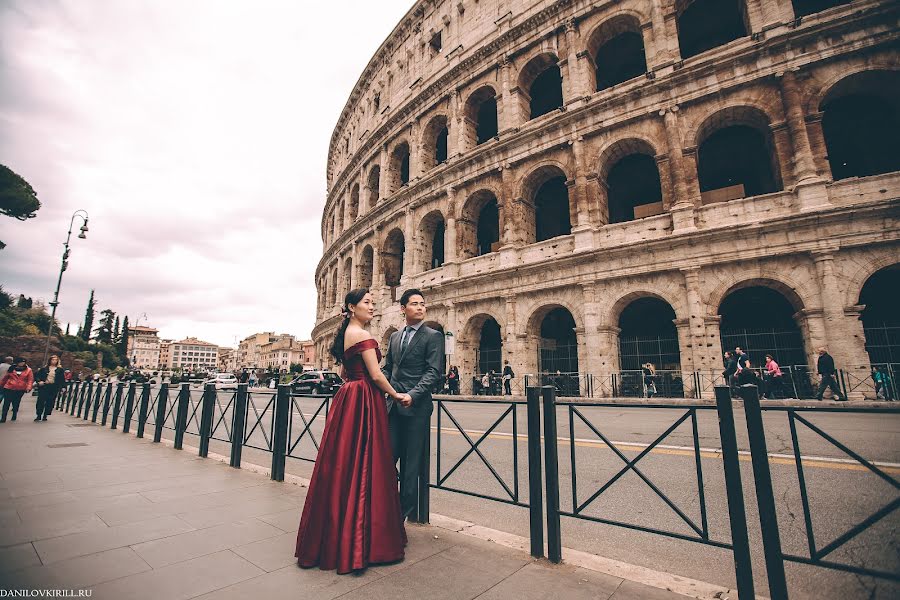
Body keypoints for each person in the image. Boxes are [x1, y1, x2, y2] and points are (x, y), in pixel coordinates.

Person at [295, 288, 407, 573]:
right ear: (351, 307)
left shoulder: (347, 333)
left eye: (372, 302)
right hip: (364, 398)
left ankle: (335, 532)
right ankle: (363, 538)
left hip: (349, 396)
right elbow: (376, 374)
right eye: (367, 302)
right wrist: (396, 395)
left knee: (344, 462)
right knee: (366, 461)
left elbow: (350, 371)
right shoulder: (363, 335)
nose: (373, 305)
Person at [382, 288, 445, 522]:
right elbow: (388, 368)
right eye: (415, 303)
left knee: (411, 467)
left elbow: (433, 372)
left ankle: (400, 518)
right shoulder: (396, 337)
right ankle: (386, 505)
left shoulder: (432, 336)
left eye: (422, 304)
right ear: (403, 308)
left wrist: (412, 394)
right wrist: (384, 388)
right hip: (393, 406)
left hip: (416, 407)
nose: (420, 307)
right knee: (386, 457)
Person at [1, 357, 34, 422]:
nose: (22, 363)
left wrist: (28, 387)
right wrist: (1, 384)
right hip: (9, 387)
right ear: (17, 362)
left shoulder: (28, 370)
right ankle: (3, 417)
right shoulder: (11, 368)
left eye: (23, 362)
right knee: (6, 403)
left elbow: (30, 379)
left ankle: (14, 415)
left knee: (16, 402)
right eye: (20, 362)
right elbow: (5, 377)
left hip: (20, 388)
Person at [34, 355, 65, 421]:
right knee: (41, 400)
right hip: (44, 386)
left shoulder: (60, 370)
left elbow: (62, 379)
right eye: (53, 359)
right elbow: (37, 376)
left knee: (50, 401)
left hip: (53, 387)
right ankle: (38, 415)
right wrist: (39, 381)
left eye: (56, 360)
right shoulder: (44, 368)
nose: (54, 361)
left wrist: (63, 387)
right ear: (50, 360)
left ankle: (45, 415)